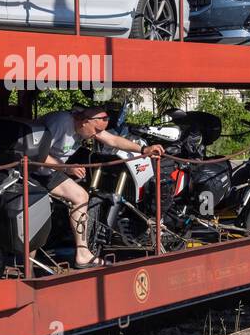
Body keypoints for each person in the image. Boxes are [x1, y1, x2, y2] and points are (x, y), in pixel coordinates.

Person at [38, 105, 164, 268]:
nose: (95, 136)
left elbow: (112, 140)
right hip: (30, 169)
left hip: (49, 173)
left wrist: (143, 149)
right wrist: (66, 168)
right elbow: (36, 153)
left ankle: (82, 254)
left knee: (80, 196)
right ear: (84, 122)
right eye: (96, 130)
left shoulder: (87, 126)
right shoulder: (60, 123)